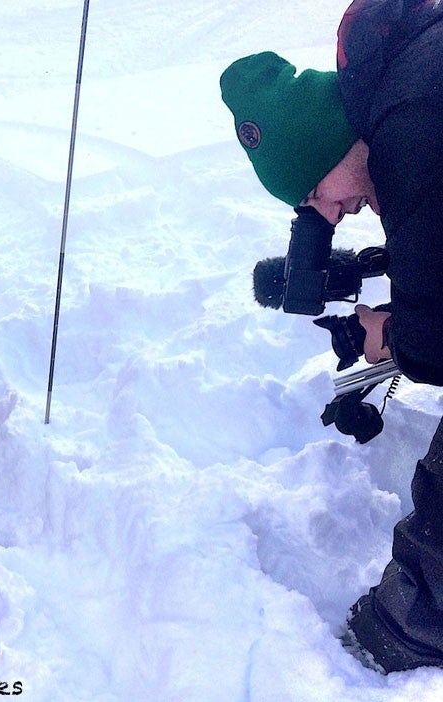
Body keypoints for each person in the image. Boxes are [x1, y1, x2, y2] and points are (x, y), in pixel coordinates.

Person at [219, 0, 443, 674]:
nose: (327, 212)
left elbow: (433, 349)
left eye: (314, 190)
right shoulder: (411, 81)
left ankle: (416, 621)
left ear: (327, 144)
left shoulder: (410, 130)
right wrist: (379, 268)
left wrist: (390, 335)